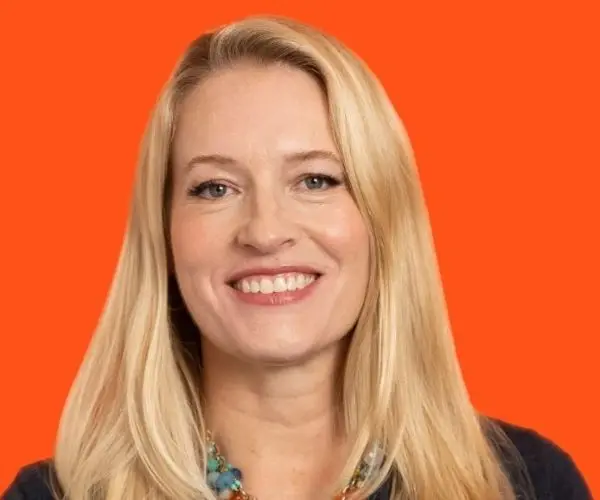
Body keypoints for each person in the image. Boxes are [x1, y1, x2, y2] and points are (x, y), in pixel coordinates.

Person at [3, 15, 592, 500]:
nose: (265, 231)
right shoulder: (55, 495)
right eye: (215, 188)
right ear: (166, 234)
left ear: (382, 218)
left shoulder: (529, 485)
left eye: (315, 180)